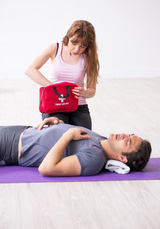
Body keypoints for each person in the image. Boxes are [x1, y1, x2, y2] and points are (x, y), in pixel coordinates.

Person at [0, 117, 152, 176]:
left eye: (128, 142)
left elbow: (47, 169)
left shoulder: (95, 159)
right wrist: (59, 125)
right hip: (20, 131)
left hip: (9, 148)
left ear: (121, 158)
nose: (124, 135)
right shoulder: (103, 140)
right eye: (130, 135)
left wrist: (67, 136)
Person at [25, 20, 100, 130]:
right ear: (68, 37)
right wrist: (54, 88)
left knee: (85, 138)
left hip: (78, 105)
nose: (76, 49)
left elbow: (92, 90)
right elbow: (30, 70)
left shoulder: (89, 57)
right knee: (58, 134)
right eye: (74, 43)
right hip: (54, 104)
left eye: (82, 46)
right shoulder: (55, 48)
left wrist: (84, 92)